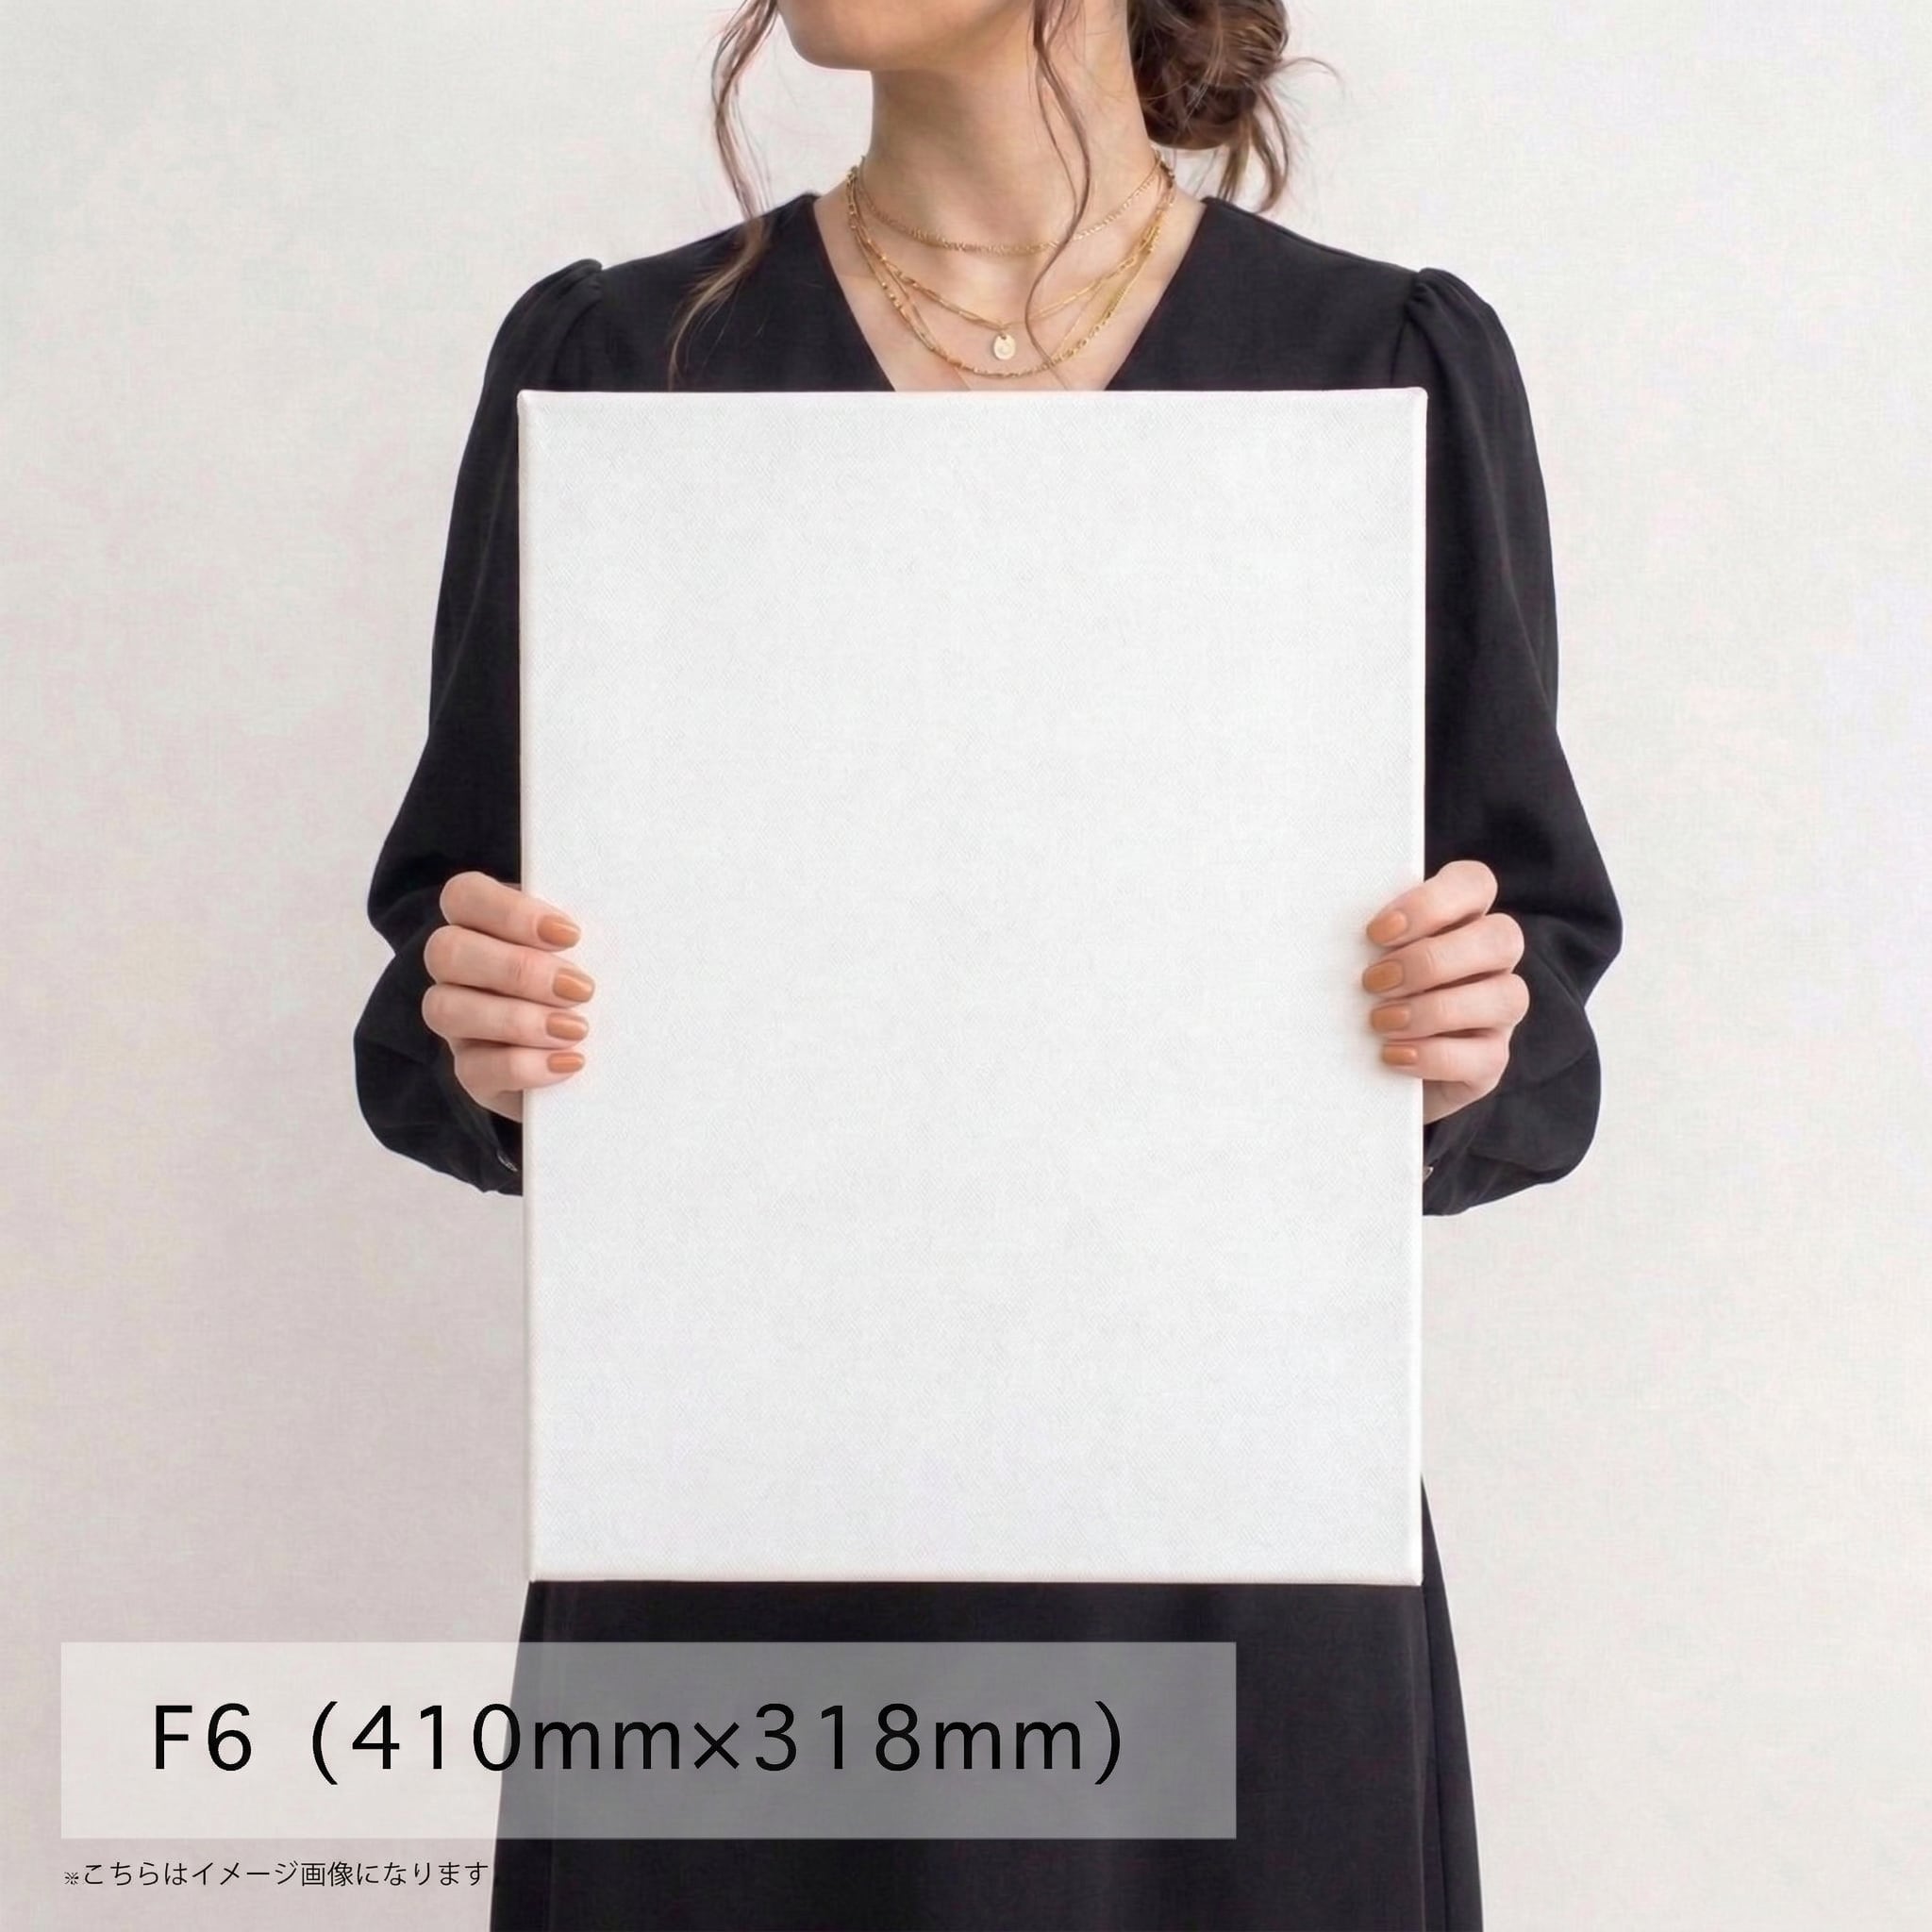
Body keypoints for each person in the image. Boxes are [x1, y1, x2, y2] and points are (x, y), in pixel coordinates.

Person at [353, 4, 1623, 1925]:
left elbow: (1540, 1002)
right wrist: (484, 1027)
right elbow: (432, 989)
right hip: (733, 1545)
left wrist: (1468, 1033)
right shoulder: (621, 365)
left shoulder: (1377, 364)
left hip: (1227, 1548)